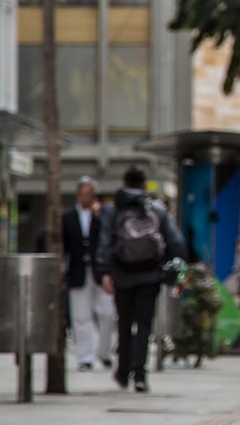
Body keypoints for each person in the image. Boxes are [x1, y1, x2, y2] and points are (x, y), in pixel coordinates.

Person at [95, 167, 185, 393]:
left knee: (124, 323)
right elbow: (175, 242)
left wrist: (104, 272)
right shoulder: (156, 209)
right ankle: (140, 375)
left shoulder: (114, 211)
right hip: (150, 275)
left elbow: (105, 243)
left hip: (122, 275)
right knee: (144, 325)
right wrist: (178, 270)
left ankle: (123, 372)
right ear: (145, 184)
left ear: (124, 183)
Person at [61, 178, 114, 371]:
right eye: (82, 195)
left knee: (107, 313)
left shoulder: (104, 214)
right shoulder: (67, 217)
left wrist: (100, 216)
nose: (85, 198)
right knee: (81, 315)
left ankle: (104, 352)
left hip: (101, 271)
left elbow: (110, 237)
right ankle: (85, 357)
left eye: (89, 195)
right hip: (77, 270)